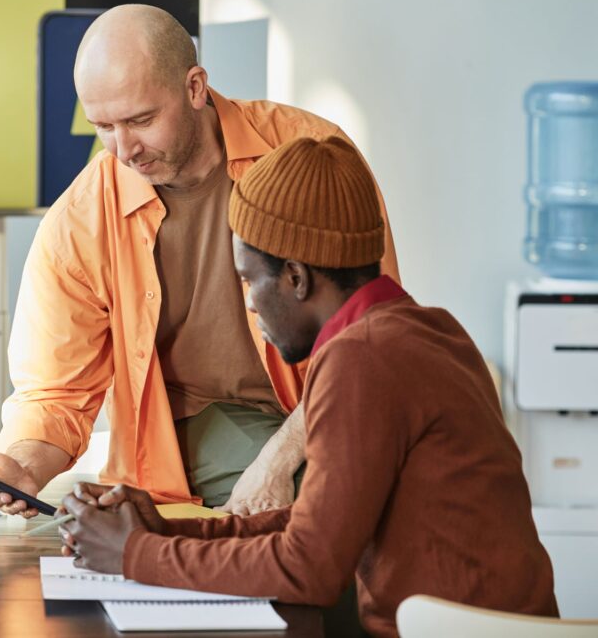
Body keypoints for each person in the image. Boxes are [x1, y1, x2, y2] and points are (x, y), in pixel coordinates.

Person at [57, 136, 559, 637]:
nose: (250, 304)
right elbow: (310, 526)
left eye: (250, 280)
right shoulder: (429, 330)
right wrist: (162, 530)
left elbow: (308, 569)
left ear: (295, 277)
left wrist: (133, 554)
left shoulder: (364, 358)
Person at [0, 4, 399, 515]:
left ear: (195, 87)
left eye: (141, 120)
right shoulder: (81, 217)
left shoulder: (309, 155)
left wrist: (277, 460)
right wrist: (23, 465)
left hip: (325, 407)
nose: (124, 150)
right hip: (198, 423)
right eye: (104, 126)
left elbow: (367, 335)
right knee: (341, 499)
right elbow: (55, 391)